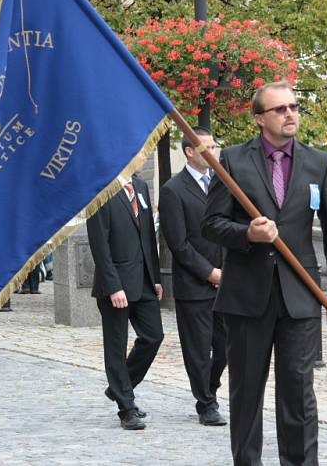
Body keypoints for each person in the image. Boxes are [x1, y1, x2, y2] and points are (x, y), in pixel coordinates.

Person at [202, 81, 327, 466]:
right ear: (259, 118)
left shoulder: (318, 162)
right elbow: (211, 225)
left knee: (299, 394)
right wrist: (246, 234)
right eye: (280, 109)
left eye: (294, 107)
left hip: (300, 297)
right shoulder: (233, 161)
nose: (290, 114)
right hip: (246, 298)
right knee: (246, 394)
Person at [86, 158, 164, 431]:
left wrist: (155, 277)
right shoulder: (101, 191)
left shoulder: (140, 188)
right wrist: (113, 286)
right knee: (116, 347)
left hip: (143, 281)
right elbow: (99, 245)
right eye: (140, 153)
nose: (144, 158)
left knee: (154, 336)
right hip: (116, 284)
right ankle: (126, 407)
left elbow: (147, 239)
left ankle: (120, 386)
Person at [158, 126, 227, 427]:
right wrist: (209, 272)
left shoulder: (222, 184)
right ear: (189, 151)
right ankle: (205, 403)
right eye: (207, 148)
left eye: (215, 147)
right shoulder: (173, 190)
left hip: (227, 283)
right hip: (195, 284)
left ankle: (209, 387)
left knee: (225, 348)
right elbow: (178, 244)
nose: (213, 153)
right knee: (198, 349)